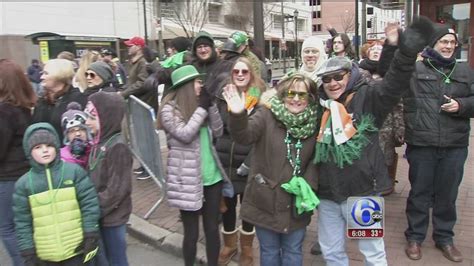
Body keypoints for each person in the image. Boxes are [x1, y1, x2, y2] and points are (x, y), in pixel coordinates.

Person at [312, 17, 434, 266]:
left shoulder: (369, 97)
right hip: (327, 194)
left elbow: (394, 83)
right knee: (332, 253)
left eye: (339, 76)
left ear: (350, 74)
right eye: (327, 79)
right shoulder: (319, 106)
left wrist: (405, 53)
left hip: (362, 192)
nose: (333, 83)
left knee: (372, 254)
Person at [222, 73, 320, 266]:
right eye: (291, 93)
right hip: (265, 199)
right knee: (269, 252)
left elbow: (318, 158)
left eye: (303, 95)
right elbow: (244, 136)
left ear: (310, 98)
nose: (296, 99)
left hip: (296, 203)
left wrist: (307, 183)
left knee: (293, 251)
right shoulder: (266, 115)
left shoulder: (316, 122)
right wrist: (238, 114)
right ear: (283, 94)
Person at [403, 24, 474, 263]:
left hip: (455, 143)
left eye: (452, 43)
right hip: (422, 142)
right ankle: (415, 237)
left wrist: (461, 106)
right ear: (433, 44)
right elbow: (391, 82)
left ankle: (444, 238)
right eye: (443, 42)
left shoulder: (465, 71)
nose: (448, 46)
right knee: (419, 193)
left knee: (448, 194)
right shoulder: (415, 69)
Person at [158, 65, 234, 266]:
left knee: (211, 229)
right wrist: (202, 107)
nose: (201, 85)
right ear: (186, 86)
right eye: (197, 82)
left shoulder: (202, 105)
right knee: (191, 234)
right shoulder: (169, 109)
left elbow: (218, 131)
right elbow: (185, 134)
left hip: (212, 177)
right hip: (187, 180)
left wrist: (210, 106)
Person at [12, 122, 100, 266]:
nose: (45, 150)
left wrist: (91, 233)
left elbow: (89, 205)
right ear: (29, 152)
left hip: (77, 249)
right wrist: (27, 251)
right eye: (38, 147)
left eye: (49, 146)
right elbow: (22, 222)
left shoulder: (74, 172)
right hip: (46, 254)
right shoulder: (23, 185)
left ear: (56, 147)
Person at [215, 57, 266, 266]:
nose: (240, 75)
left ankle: (246, 249)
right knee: (226, 206)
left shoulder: (261, 98)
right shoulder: (223, 96)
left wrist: (250, 161)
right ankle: (229, 244)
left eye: (244, 71)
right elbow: (217, 128)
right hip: (225, 160)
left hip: (248, 161)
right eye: (236, 71)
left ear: (251, 74)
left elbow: (262, 134)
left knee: (248, 208)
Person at [85, 91, 133, 266]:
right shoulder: (100, 142)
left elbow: (117, 190)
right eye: (87, 115)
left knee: (117, 260)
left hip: (112, 217)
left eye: (92, 116)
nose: (86, 121)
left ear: (107, 117)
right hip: (101, 215)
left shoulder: (117, 146)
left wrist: (92, 206)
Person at [0, 58, 37, 266]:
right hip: (24, 174)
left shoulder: (4, 111)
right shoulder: (23, 108)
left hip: (8, 178)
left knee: (8, 228)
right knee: (24, 227)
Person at [359, 32, 404, 196]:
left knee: (383, 162)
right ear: (367, 53)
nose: (377, 50)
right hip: (362, 126)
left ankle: (377, 203)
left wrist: (400, 130)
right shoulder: (357, 74)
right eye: (374, 48)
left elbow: (398, 105)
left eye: (381, 48)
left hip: (386, 127)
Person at [32, 58, 87, 142]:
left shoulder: (78, 99)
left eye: (46, 73)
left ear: (59, 76)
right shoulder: (42, 100)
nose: (42, 77)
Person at [60, 102, 92, 169]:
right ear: (67, 136)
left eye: (81, 129)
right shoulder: (62, 159)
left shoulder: (95, 152)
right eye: (72, 131)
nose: (78, 134)